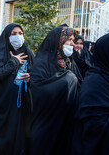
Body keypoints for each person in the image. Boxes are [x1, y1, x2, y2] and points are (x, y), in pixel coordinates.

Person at [29, 25, 81, 155]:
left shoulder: (69, 62)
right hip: (47, 123)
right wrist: (66, 80)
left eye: (73, 40)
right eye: (69, 39)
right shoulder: (43, 61)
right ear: (58, 41)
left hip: (65, 120)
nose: (72, 44)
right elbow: (39, 91)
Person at [0, 23, 34, 155]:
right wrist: (13, 62)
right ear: (7, 36)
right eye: (14, 34)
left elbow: (37, 74)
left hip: (22, 105)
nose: (18, 36)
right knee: (5, 137)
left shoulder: (28, 53)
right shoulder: (0, 52)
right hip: (4, 104)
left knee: (20, 136)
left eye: (20, 33)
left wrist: (30, 77)